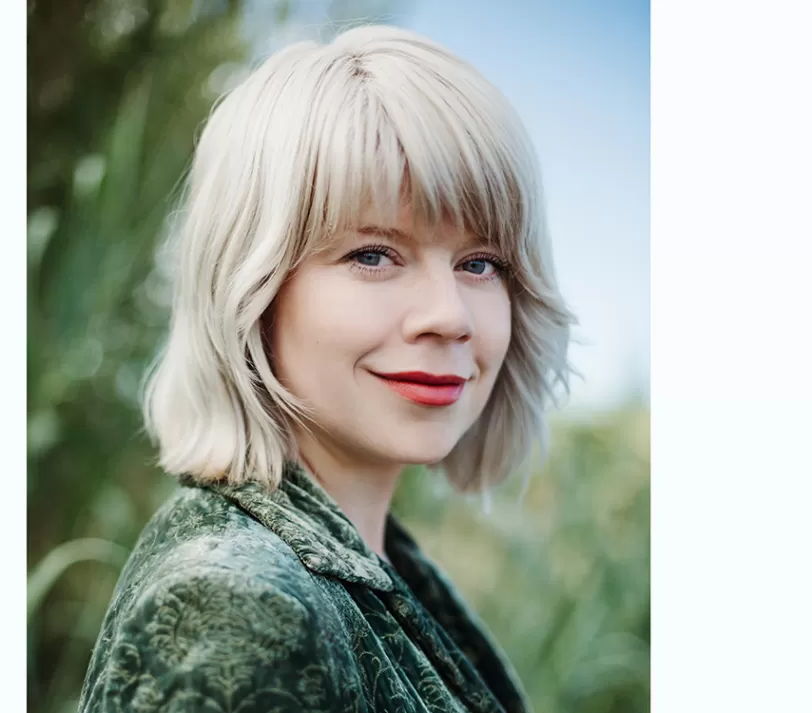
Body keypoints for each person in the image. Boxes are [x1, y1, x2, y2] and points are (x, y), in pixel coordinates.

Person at [78, 24, 574, 713]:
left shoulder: (367, 570)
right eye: (374, 254)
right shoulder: (239, 608)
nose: (449, 314)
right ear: (253, 289)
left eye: (480, 262)